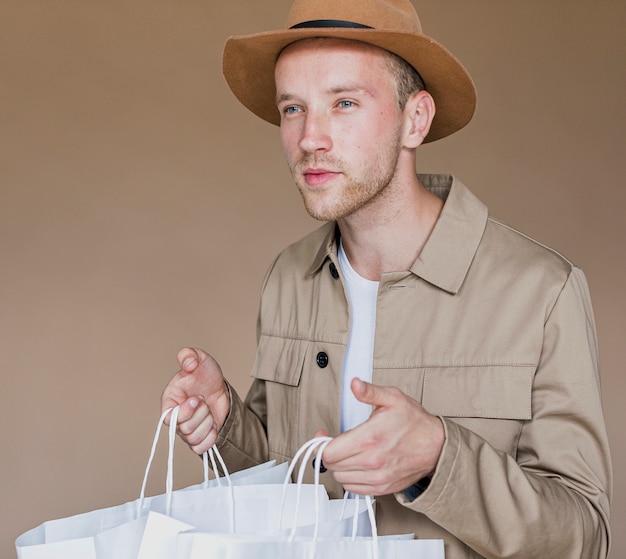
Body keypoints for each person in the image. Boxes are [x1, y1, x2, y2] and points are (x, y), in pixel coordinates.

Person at [161, 0, 612, 556]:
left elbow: (585, 538)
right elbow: (284, 483)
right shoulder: (289, 278)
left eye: (344, 102)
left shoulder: (542, 293)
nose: (309, 139)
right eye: (293, 108)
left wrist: (440, 459)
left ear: (415, 120)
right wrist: (226, 424)